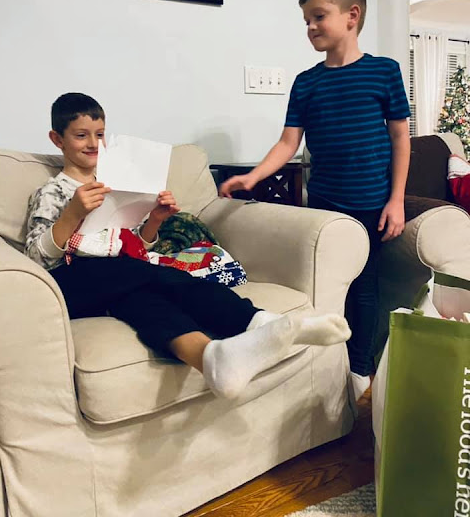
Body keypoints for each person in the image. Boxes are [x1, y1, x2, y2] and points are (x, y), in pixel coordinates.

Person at [24, 92, 351, 402]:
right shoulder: (53, 191)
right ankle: (257, 321)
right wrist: (72, 214)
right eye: (81, 135)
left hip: (119, 278)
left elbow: (136, 244)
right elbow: (36, 258)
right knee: (156, 275)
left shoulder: (115, 184)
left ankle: (212, 359)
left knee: (142, 299)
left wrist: (155, 219)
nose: (93, 143)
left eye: (99, 134)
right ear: (57, 139)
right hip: (71, 282)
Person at [220, 0, 411, 401]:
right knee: (325, 285)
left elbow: (401, 137)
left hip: (370, 203)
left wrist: (396, 200)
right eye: (306, 20)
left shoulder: (384, 72)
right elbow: (288, 142)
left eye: (319, 17)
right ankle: (324, 366)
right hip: (323, 204)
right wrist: (253, 176)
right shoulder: (306, 82)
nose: (310, 27)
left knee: (363, 288)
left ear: (352, 16)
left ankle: (359, 369)